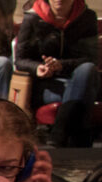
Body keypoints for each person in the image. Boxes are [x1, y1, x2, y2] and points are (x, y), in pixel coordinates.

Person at [14, 0, 99, 147]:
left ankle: (58, 133)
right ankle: (79, 138)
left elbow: (91, 58)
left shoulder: (87, 17)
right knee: (86, 94)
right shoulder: (32, 18)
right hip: (46, 85)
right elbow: (20, 60)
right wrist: (38, 68)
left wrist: (61, 65)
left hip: (77, 79)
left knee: (87, 70)